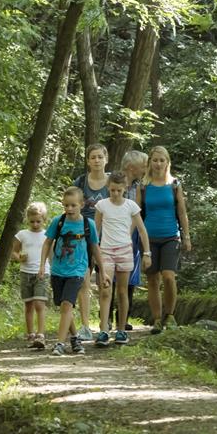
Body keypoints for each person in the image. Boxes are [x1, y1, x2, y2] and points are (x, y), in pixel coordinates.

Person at [92, 171, 151, 344]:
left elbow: (141, 230)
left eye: (119, 190)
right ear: (107, 188)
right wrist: (94, 253)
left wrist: (147, 253)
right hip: (106, 251)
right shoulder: (101, 205)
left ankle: (121, 329)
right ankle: (103, 329)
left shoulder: (131, 206)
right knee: (105, 289)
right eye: (112, 190)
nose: (116, 194)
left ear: (125, 188)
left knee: (123, 291)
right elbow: (95, 230)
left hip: (125, 250)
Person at [140, 146, 192, 332]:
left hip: (171, 236)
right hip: (148, 238)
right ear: (150, 163)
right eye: (155, 160)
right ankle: (156, 319)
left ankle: (169, 315)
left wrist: (186, 236)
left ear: (167, 163)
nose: (158, 164)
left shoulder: (175, 184)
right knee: (153, 280)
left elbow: (182, 212)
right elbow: (137, 213)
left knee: (169, 277)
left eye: (162, 160)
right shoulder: (143, 186)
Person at [45, 188, 99, 354]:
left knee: (67, 304)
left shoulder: (88, 225)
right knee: (63, 307)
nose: (69, 209)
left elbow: (95, 248)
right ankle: (75, 339)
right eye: (66, 205)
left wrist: (102, 271)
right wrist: (42, 266)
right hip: (58, 270)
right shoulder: (58, 221)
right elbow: (47, 243)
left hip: (77, 270)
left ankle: (60, 344)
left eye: (73, 205)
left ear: (81, 205)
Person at [72, 145, 110, 339]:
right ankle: (85, 326)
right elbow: (71, 206)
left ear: (106, 159)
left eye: (100, 157)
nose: (96, 160)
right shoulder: (80, 182)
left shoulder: (112, 182)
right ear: (88, 161)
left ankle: (105, 324)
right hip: (83, 236)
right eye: (93, 157)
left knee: (105, 281)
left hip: (108, 237)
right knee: (84, 281)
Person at [8, 201, 51, 350]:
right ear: (27, 220)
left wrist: (52, 268)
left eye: (38, 221)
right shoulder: (22, 235)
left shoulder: (47, 235)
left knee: (40, 303)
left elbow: (51, 254)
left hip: (42, 272)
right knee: (29, 305)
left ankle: (41, 333)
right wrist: (19, 257)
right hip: (26, 273)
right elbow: (14, 252)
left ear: (44, 220)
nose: (35, 224)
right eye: (32, 221)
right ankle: (30, 332)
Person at [120, 149, 149, 328]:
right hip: (114, 232)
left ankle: (123, 317)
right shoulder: (113, 182)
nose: (146, 169)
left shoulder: (141, 186)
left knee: (131, 274)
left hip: (133, 233)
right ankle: (106, 317)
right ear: (132, 167)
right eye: (143, 166)